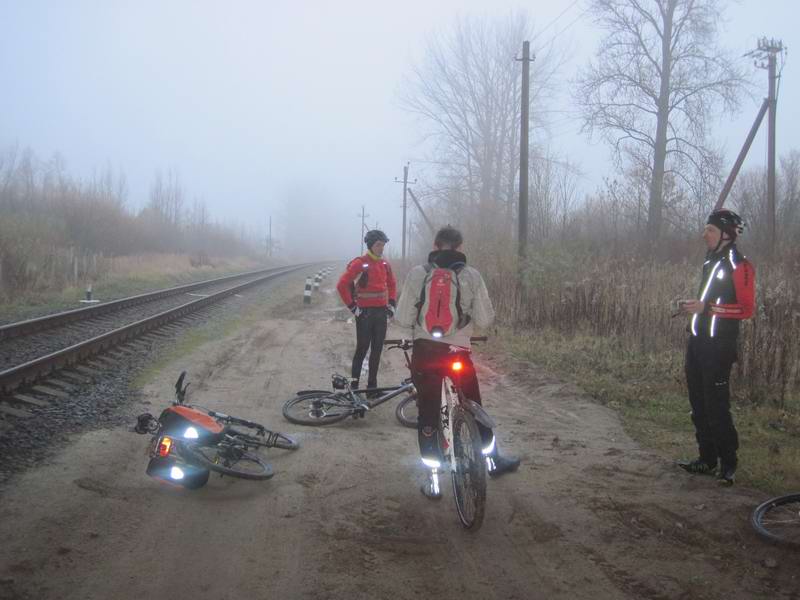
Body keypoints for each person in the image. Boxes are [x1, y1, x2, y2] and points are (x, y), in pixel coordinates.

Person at [395, 226, 520, 499]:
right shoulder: (471, 275)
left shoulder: (418, 273)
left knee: (428, 413)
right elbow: (485, 319)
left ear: (436, 245)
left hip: (425, 353)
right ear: (460, 247)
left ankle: (433, 483)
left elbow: (403, 318)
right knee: (473, 405)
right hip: (457, 352)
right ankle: (492, 461)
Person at [677, 208, 755, 486]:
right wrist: (695, 307)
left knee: (716, 405)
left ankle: (728, 463)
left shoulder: (740, 265)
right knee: (698, 403)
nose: (704, 234)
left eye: (709, 230)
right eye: (705, 229)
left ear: (726, 234)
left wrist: (706, 308)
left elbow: (746, 309)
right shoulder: (711, 260)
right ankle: (706, 458)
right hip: (697, 343)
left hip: (719, 348)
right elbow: (708, 302)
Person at [336, 230, 397, 396]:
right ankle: (354, 388)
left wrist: (391, 304)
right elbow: (341, 285)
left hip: (381, 313)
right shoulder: (359, 263)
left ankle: (372, 389)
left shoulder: (385, 265)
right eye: (378, 245)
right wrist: (353, 307)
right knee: (362, 350)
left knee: (377, 350)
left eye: (383, 245)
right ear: (370, 245)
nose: (381, 248)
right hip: (365, 314)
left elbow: (392, 284)